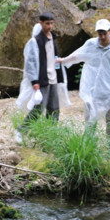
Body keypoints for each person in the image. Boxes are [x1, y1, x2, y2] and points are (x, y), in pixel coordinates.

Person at [58, 19, 110, 139]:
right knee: (90, 121)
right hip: (92, 91)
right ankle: (88, 146)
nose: (102, 36)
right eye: (100, 33)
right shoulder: (91, 44)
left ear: (109, 32)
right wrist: (63, 61)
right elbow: (78, 55)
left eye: (105, 33)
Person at [14, 13, 70, 143]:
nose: (50, 26)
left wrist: (59, 76)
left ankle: (51, 135)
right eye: (47, 23)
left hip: (53, 78)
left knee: (54, 109)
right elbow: (31, 62)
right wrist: (35, 81)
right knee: (38, 109)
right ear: (41, 23)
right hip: (42, 80)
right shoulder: (35, 41)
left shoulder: (52, 39)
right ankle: (20, 130)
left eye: (51, 23)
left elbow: (55, 58)